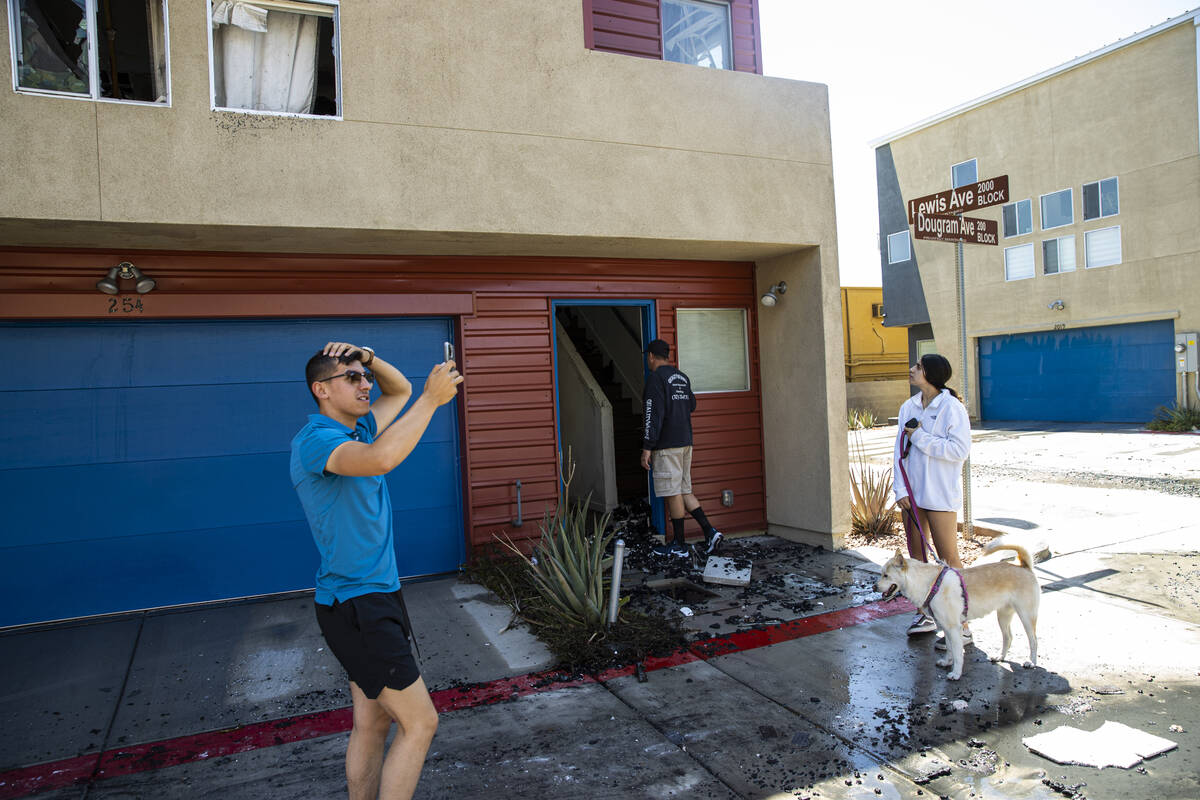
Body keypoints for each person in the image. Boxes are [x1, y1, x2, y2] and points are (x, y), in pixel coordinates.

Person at [290, 341, 463, 800]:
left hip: (372, 596)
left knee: (372, 722)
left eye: (364, 377)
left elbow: (399, 387)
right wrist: (433, 400)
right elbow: (380, 460)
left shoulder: (358, 429)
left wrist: (367, 356)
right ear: (321, 390)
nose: (365, 384)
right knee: (421, 722)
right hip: (357, 605)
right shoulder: (318, 442)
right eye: (352, 378)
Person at [893, 353, 972, 643]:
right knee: (916, 558)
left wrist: (920, 438)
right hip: (912, 496)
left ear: (931, 374)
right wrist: (900, 490)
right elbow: (898, 450)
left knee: (949, 558)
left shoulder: (951, 408)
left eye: (918, 367)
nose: (912, 369)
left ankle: (961, 625)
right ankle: (926, 614)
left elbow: (958, 451)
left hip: (939, 495)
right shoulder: (908, 406)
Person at [640, 338, 723, 557]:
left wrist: (647, 447)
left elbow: (652, 415)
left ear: (650, 356)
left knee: (673, 492)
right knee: (684, 490)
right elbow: (692, 404)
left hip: (667, 446)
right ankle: (710, 532)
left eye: (647, 357)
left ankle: (679, 544)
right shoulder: (681, 377)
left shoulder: (656, 379)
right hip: (686, 442)